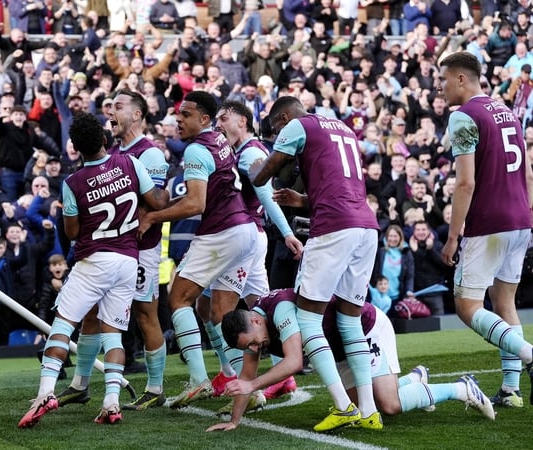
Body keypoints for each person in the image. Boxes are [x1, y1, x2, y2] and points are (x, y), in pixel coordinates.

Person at [17, 112, 168, 428]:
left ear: (75, 147)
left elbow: (71, 232)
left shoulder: (73, 182)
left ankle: (46, 392)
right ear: (104, 139)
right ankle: (111, 402)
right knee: (113, 332)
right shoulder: (129, 164)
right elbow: (156, 200)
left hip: (94, 260)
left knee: (62, 325)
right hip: (129, 261)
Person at [250, 95, 382, 431]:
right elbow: (341, 187)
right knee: (350, 320)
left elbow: (263, 174)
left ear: (282, 118)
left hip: (334, 227)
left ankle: (343, 406)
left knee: (308, 317)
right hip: (366, 226)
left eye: (275, 129)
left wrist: (251, 166)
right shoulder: (342, 128)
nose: (277, 135)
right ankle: (368, 410)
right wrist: (301, 201)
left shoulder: (296, 125)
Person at [206, 289, 495, 431]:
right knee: (364, 403)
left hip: (363, 328)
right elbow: (245, 377)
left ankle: (461, 388)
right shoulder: (253, 328)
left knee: (388, 406)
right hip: (338, 348)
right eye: (251, 347)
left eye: (255, 341)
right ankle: (414, 380)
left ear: (256, 320)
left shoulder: (279, 311)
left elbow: (294, 362)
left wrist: (253, 384)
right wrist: (235, 420)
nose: (258, 348)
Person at [137, 90, 258, 409]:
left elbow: (196, 203)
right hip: (246, 232)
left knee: (178, 297)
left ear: (205, 119)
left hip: (222, 232)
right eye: (178, 112)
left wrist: (154, 216)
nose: (178, 118)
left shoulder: (195, 150)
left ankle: (199, 380)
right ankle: (241, 382)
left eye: (186, 114)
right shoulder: (219, 139)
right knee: (218, 312)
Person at [56, 90, 170, 411]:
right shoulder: (116, 153)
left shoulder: (150, 155)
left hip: (141, 250)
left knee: (146, 314)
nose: (110, 112)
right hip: (111, 250)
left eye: (118, 106)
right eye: (109, 106)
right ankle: (80, 385)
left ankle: (156, 386)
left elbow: (156, 206)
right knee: (91, 314)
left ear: (137, 115)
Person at [438, 51, 533, 408]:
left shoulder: (463, 117)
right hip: (520, 219)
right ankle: (511, 391)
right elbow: (527, 173)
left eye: (444, 79)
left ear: (461, 79)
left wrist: (452, 237)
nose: (440, 87)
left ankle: (529, 354)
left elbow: (465, 184)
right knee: (504, 303)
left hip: (489, 224)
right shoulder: (508, 112)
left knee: (466, 306)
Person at [205, 101, 304, 408]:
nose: (218, 124)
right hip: (251, 237)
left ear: (243, 122)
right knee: (261, 310)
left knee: (217, 311)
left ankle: (236, 378)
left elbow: (265, 194)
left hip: (244, 238)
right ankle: (282, 374)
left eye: (225, 118)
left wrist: (287, 233)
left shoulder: (250, 153)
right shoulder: (240, 152)